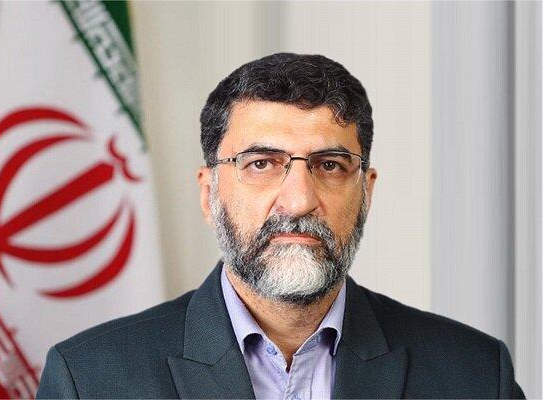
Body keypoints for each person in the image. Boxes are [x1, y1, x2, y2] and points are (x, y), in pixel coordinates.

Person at [37, 53, 524, 399]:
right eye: (261, 164)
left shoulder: (477, 376)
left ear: (367, 191)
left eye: (330, 165)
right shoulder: (90, 379)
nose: (299, 200)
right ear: (209, 193)